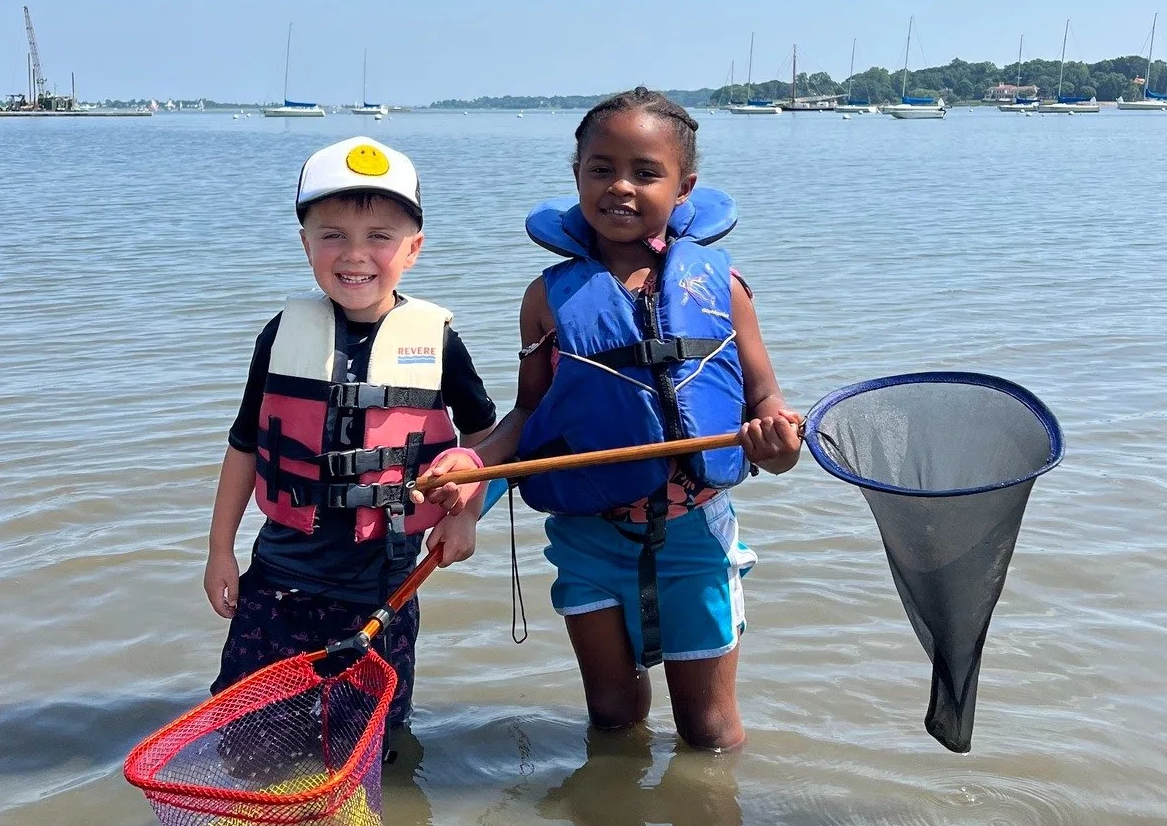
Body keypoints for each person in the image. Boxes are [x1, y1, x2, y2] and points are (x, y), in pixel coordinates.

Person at [425, 88, 802, 750]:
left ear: (684, 188)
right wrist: (473, 465)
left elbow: (765, 400)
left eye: (645, 172)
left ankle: (708, 819)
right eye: (601, 169)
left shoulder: (723, 288)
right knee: (611, 714)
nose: (620, 187)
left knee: (709, 731)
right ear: (577, 176)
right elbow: (531, 413)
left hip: (694, 535)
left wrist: (777, 438)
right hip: (588, 538)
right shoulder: (546, 298)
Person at [204, 136, 496, 731]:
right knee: (245, 731)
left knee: (373, 736)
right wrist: (219, 551)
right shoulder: (280, 335)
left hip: (385, 585)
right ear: (305, 243)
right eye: (333, 235)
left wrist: (464, 515)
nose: (355, 254)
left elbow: (484, 434)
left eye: (379, 236)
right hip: (279, 577)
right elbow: (244, 446)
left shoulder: (437, 342)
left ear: (413, 248)